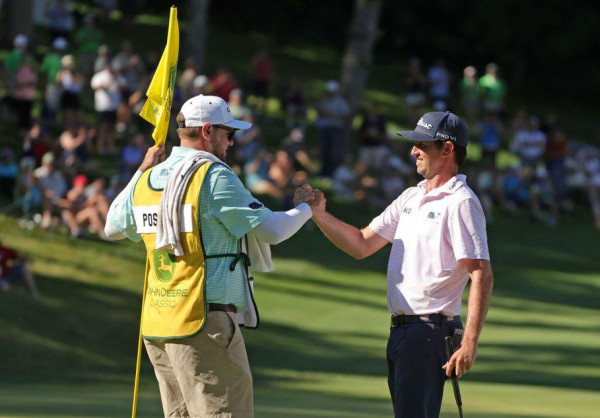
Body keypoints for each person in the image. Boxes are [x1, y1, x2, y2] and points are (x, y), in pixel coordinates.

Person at [104, 94, 318, 417]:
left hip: (158, 325)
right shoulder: (212, 176)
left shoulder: (149, 179)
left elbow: (112, 226)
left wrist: (141, 170)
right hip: (203, 322)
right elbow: (272, 230)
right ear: (207, 132)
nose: (232, 142)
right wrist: (307, 209)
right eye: (228, 134)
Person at [296, 111, 494, 417]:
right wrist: (318, 214)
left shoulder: (460, 202)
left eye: (421, 145)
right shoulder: (411, 197)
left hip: (430, 332)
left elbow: (481, 274)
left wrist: (469, 344)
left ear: (447, 149)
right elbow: (362, 244)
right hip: (403, 332)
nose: (413, 151)